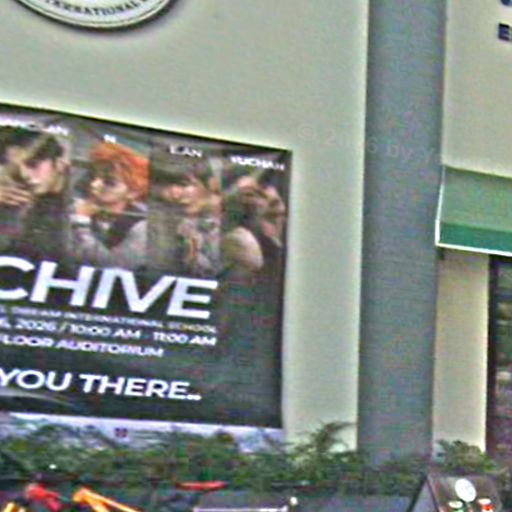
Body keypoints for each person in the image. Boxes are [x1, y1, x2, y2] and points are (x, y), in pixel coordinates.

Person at [69, 142, 149, 270]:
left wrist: (81, 223)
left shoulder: (142, 227)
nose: (94, 185)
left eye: (109, 182)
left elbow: (113, 267)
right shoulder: (73, 207)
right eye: (92, 177)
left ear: (133, 192)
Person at [0, 128, 69, 261]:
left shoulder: (77, 204)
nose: (24, 174)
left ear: (59, 164)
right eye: (16, 168)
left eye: (33, 164)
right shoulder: (15, 197)